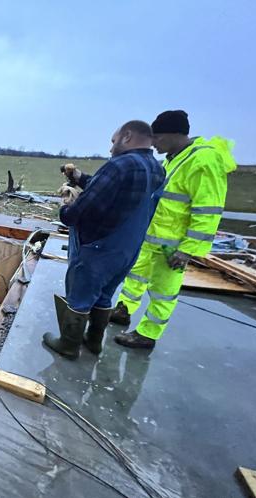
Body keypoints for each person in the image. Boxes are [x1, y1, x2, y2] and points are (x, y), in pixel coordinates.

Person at [112, 110, 237, 348]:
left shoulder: (203, 161)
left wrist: (187, 249)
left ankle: (148, 334)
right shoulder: (175, 157)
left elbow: (208, 210)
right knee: (135, 275)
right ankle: (123, 309)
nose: (153, 145)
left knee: (163, 290)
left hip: (173, 245)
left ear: (172, 135)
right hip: (153, 237)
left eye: (156, 138)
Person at [43, 121, 165, 360]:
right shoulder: (156, 168)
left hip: (98, 248)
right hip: (126, 250)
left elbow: (81, 211)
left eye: (113, 141)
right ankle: (94, 341)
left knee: (80, 297)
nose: (110, 149)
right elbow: (105, 190)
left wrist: (65, 207)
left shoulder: (119, 165)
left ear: (127, 136)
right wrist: (78, 177)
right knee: (104, 294)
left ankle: (68, 345)